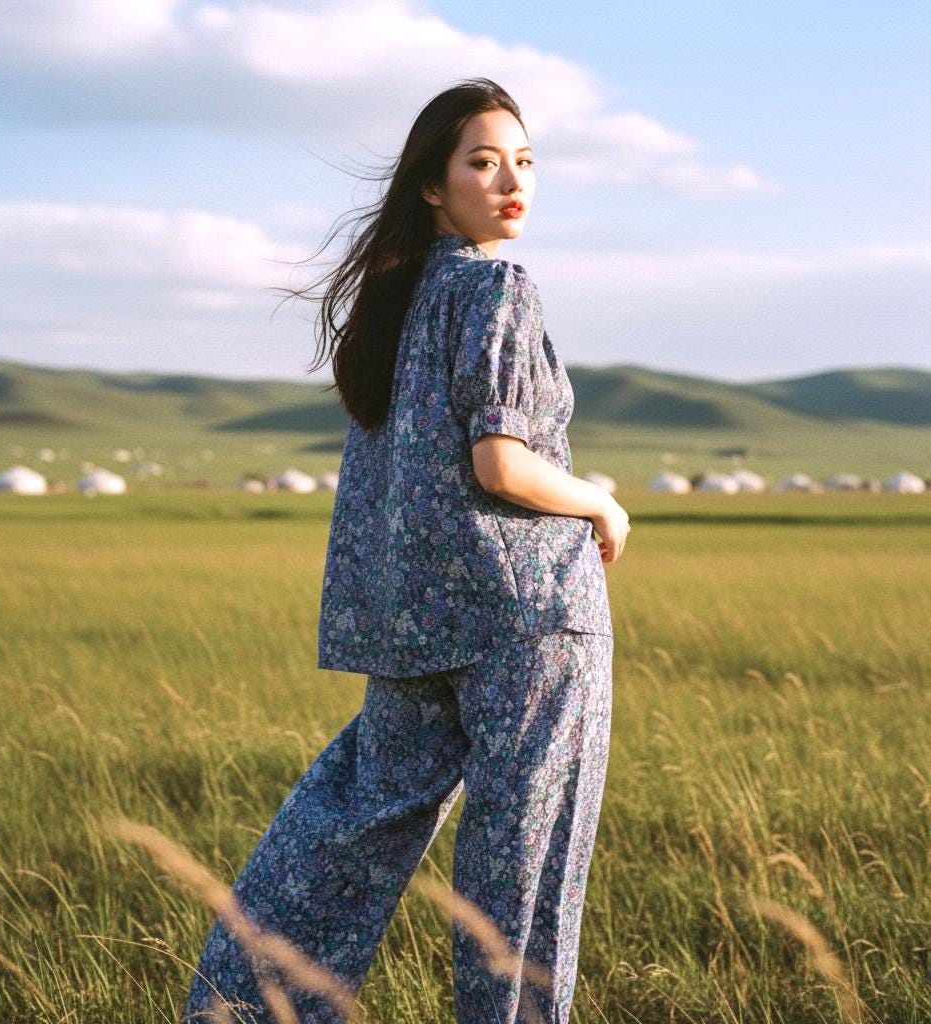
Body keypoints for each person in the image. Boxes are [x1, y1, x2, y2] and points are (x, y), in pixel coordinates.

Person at [182, 77, 631, 1024]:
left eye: (525, 161)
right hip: (529, 620)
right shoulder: (495, 286)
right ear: (434, 185)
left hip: (412, 621)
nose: (511, 180)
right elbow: (503, 465)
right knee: (523, 869)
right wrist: (598, 502)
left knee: (345, 833)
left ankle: (241, 1008)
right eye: (482, 161)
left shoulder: (395, 303)